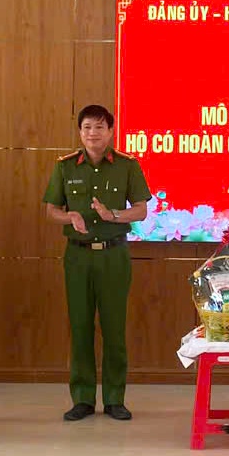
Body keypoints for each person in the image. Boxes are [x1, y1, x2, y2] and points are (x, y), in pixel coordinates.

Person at [43, 105, 151, 422]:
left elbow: (142, 210)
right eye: (87, 127)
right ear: (80, 132)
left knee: (114, 328)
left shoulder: (127, 166)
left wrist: (113, 215)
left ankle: (115, 399)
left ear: (111, 131)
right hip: (77, 256)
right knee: (80, 327)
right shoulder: (65, 166)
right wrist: (70, 216)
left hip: (114, 255)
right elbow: (51, 210)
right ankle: (83, 398)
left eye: (100, 127)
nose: (93, 133)